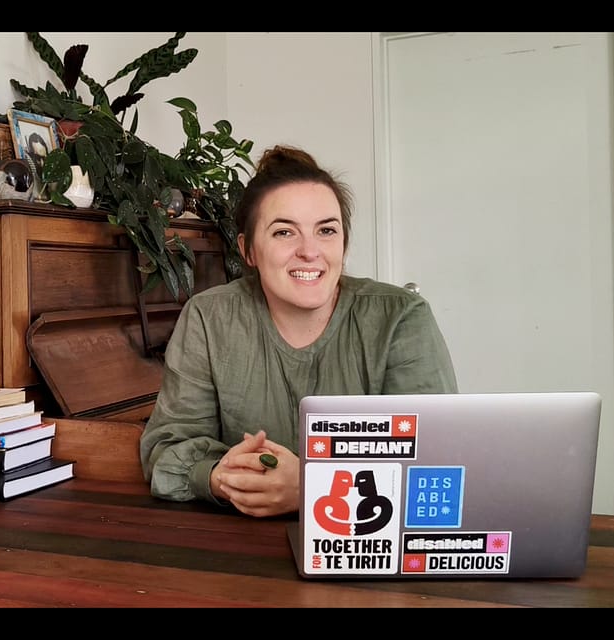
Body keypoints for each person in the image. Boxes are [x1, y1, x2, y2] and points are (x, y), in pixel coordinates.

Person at [139, 145, 458, 518]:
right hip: (242, 544)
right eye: (284, 232)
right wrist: (219, 476)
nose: (310, 251)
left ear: (344, 243)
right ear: (249, 250)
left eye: (326, 230)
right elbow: (166, 447)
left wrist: (313, 487)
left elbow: (440, 462)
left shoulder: (401, 317)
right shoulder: (209, 318)